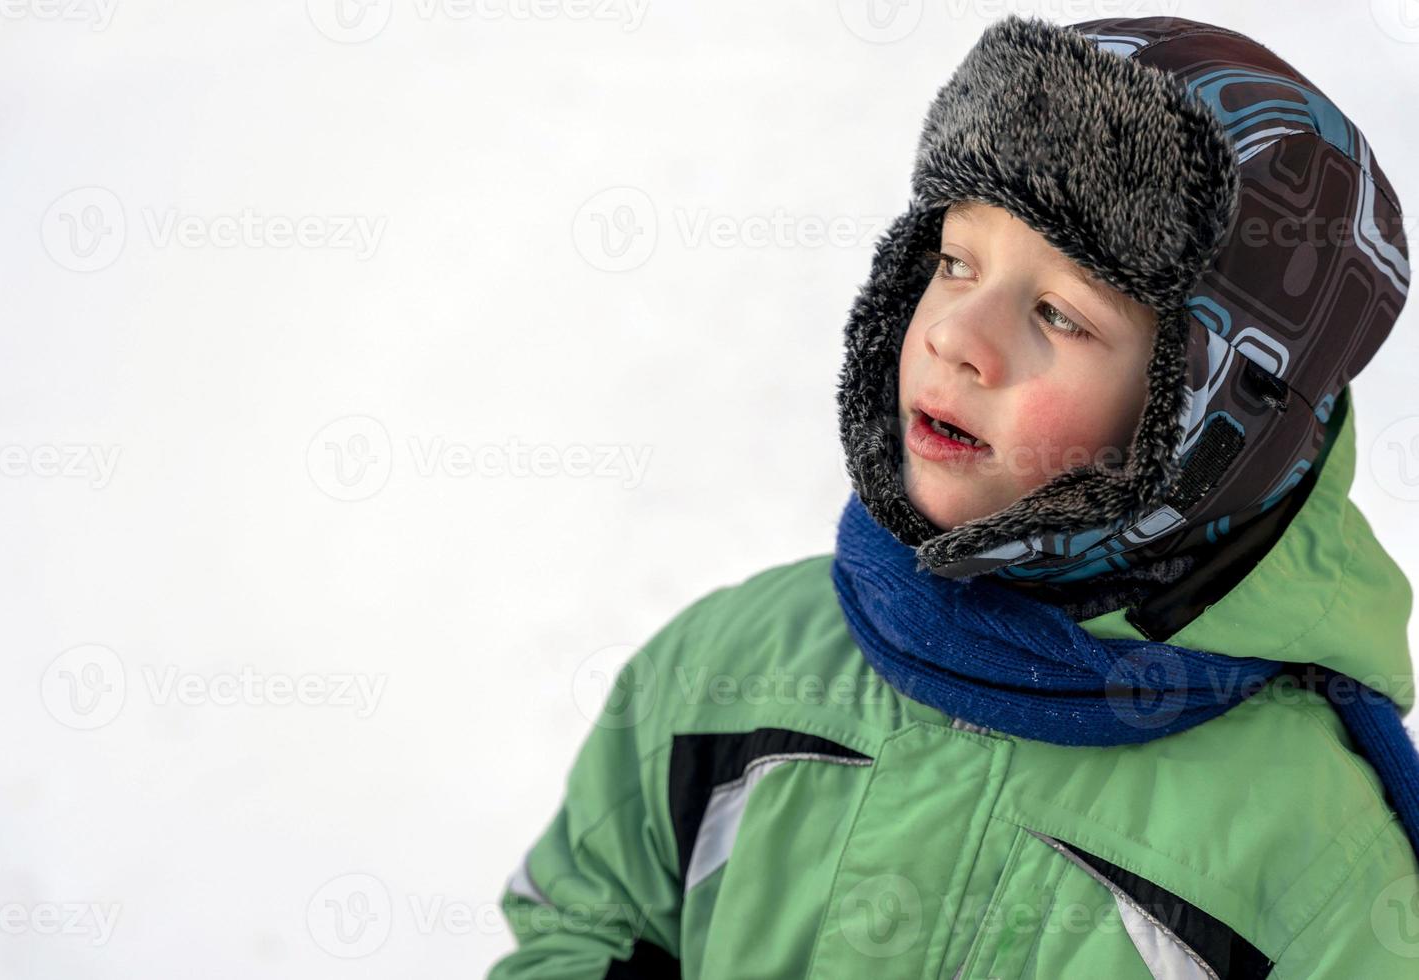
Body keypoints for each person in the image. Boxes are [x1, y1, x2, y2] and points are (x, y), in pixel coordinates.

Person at [488, 15, 1419, 977]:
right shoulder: (732, 665)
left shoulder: (1315, 856)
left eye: (1060, 312)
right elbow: (584, 922)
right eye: (954, 261)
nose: (957, 335)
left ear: (1212, 424)